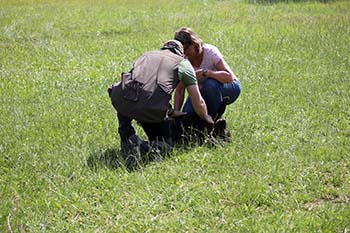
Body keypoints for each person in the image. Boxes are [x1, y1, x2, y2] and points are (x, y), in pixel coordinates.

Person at [108, 40, 213, 168]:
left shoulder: (146, 55)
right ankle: (142, 147)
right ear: (181, 53)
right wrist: (207, 117)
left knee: (123, 94)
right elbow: (198, 102)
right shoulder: (183, 63)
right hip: (151, 108)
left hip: (123, 99)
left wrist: (170, 111)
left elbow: (135, 84)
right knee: (166, 147)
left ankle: (127, 136)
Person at [174, 27, 241, 121]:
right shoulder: (183, 60)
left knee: (210, 84)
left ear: (194, 44)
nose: (184, 53)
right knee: (187, 116)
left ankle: (212, 122)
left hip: (230, 88)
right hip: (202, 91)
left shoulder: (210, 52)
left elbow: (229, 78)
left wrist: (206, 73)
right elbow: (180, 89)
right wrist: (176, 111)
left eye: (187, 49)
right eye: (182, 50)